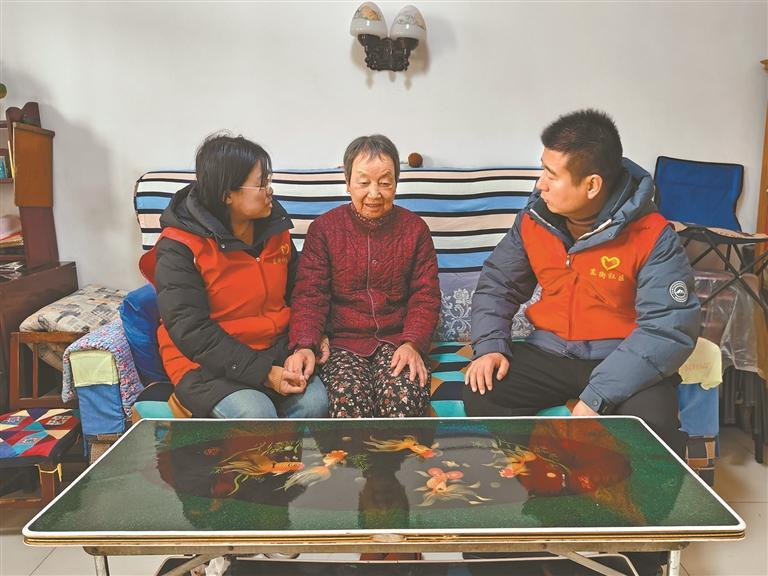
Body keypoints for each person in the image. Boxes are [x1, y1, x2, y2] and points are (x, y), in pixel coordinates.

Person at [464, 109, 700, 576]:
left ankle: (641, 556)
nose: (540, 183)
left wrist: (596, 397)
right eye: (542, 169)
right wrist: (490, 344)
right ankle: (518, 532)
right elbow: (498, 283)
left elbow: (667, 328)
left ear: (591, 185)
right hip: (549, 350)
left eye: (551, 175)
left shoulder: (653, 235)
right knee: (483, 392)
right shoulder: (535, 217)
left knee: (654, 425)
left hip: (624, 359)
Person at [139, 133, 328, 419]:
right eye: (261, 183)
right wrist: (266, 374)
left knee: (315, 405)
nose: (269, 190)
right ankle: (185, 407)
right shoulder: (179, 246)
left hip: (275, 349)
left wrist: (307, 342)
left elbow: (302, 291)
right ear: (227, 194)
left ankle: (280, 453)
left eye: (268, 180)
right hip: (206, 364)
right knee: (257, 415)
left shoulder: (274, 228)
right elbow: (192, 330)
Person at [286, 134, 441, 418]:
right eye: (363, 182)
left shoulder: (415, 230)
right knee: (348, 403)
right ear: (347, 182)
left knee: (403, 399)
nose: (374, 193)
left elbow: (425, 296)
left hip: (398, 340)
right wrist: (305, 344)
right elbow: (310, 295)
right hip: (342, 342)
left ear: (396, 183)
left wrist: (412, 343)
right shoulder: (324, 230)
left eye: (385, 183)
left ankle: (403, 452)